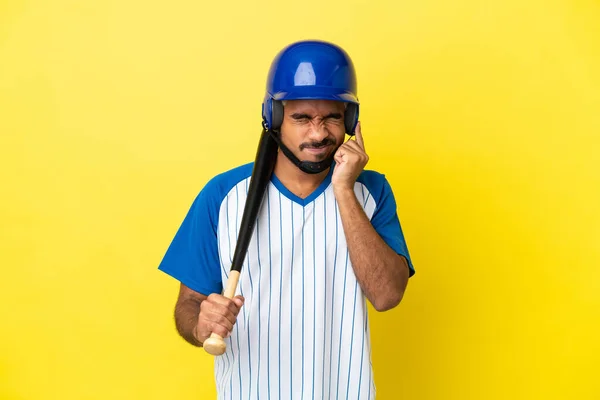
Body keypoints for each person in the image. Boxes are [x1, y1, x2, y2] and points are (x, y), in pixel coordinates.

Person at [158, 39, 415, 399]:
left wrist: (343, 190)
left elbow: (387, 296)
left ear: (351, 121)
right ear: (275, 118)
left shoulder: (371, 191)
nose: (319, 133)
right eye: (301, 118)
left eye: (332, 117)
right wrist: (201, 324)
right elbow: (188, 306)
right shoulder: (222, 194)